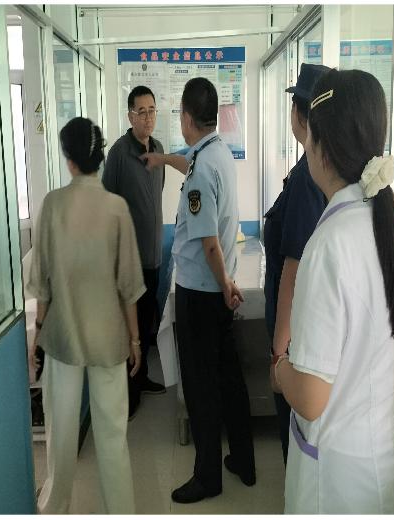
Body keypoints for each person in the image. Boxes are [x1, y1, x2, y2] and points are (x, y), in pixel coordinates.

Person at [274, 69, 394, 514]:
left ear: (319, 145)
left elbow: (311, 398)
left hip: (337, 477)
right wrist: (372, 346)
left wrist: (279, 369)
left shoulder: (328, 244)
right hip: (385, 457)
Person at [27, 117, 145, 514]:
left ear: (69, 158)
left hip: (63, 337)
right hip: (109, 339)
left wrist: (38, 331)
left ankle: (56, 506)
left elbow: (42, 282)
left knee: (60, 435)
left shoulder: (53, 205)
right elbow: (129, 285)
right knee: (112, 437)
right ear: (99, 157)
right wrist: (134, 339)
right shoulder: (116, 208)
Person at [169, 77, 256, 504]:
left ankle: (207, 477)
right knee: (228, 377)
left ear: (186, 117)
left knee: (201, 387)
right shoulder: (218, 152)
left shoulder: (201, 168)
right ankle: (243, 459)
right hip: (217, 291)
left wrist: (224, 286)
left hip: (202, 294)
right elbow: (186, 165)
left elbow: (208, 243)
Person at [263, 63, 329, 466]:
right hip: (302, 330)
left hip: (294, 336)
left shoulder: (307, 178)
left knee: (297, 437)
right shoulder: (312, 171)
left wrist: (278, 352)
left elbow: (295, 268)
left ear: (301, 116)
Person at [103, 85, 167, 420]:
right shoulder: (118, 154)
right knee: (132, 330)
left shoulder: (159, 150)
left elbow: (157, 195)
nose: (147, 117)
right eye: (141, 112)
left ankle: (143, 379)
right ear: (130, 116)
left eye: (152, 110)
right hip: (129, 260)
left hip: (154, 255)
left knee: (147, 321)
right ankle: (130, 393)